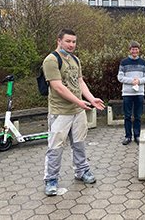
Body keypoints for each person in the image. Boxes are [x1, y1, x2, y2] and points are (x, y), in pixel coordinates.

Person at [42, 28, 105, 196]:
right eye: (68, 41)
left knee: (79, 143)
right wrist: (79, 102)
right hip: (60, 112)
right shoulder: (51, 60)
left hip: (78, 111)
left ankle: (82, 171)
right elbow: (58, 87)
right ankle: (51, 179)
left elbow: (79, 82)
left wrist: (91, 99)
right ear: (59, 41)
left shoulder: (75, 59)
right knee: (55, 147)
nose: (71, 45)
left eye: (74, 42)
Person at [117, 40, 145, 145]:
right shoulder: (124, 62)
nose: (134, 51)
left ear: (139, 50)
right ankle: (128, 136)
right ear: (129, 50)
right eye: (132, 49)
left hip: (139, 93)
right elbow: (120, 77)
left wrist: (139, 81)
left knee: (138, 116)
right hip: (127, 93)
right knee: (127, 116)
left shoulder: (143, 63)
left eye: (136, 49)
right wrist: (132, 81)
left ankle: (137, 135)